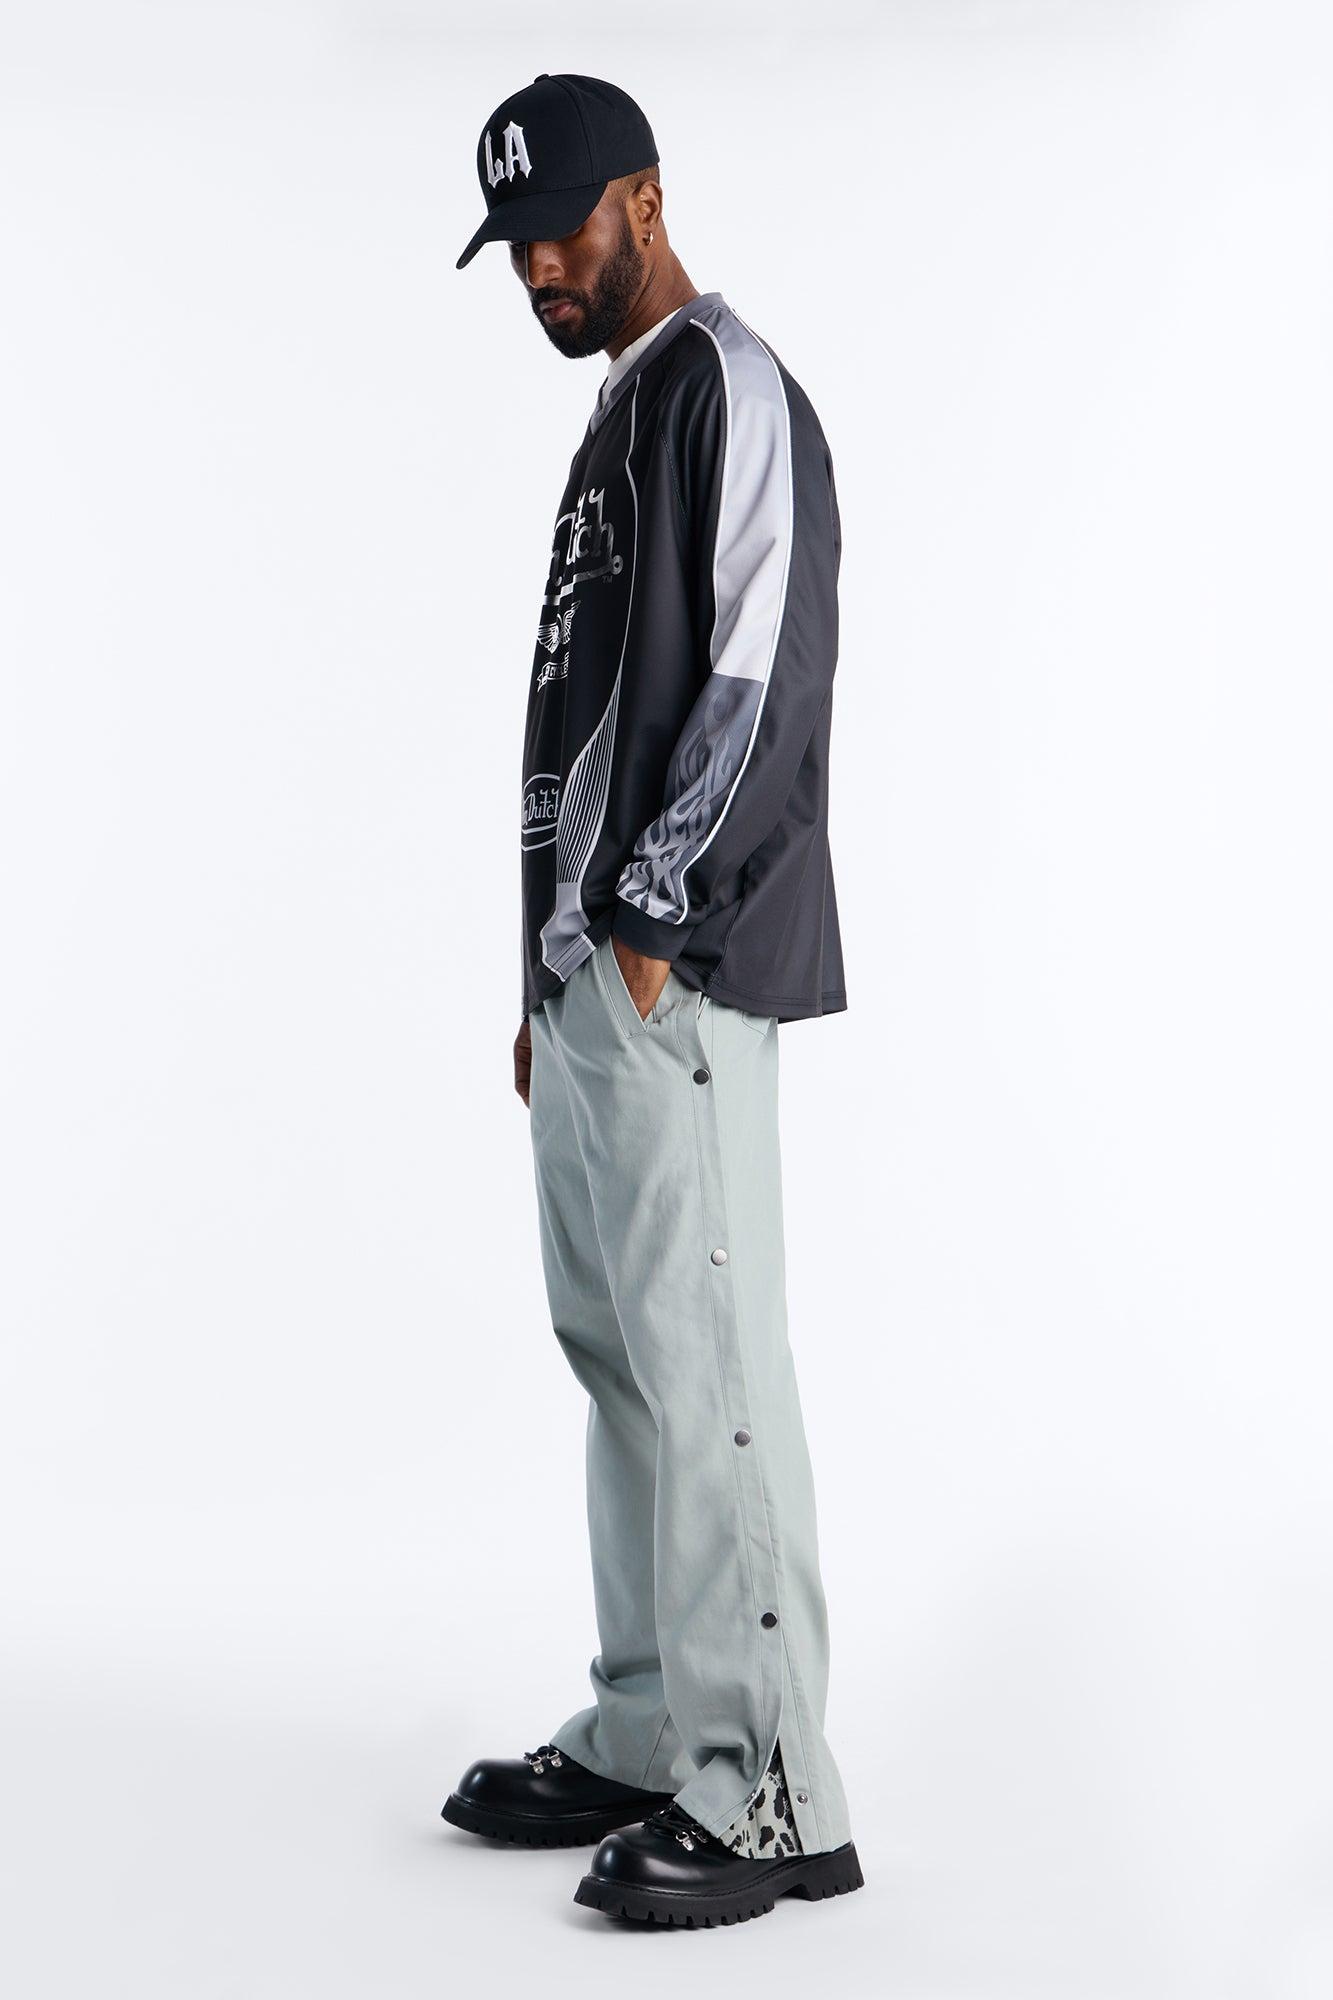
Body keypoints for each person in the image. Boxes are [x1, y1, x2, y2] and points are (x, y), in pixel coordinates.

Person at [443, 71, 862, 1929]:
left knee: (708, 1369)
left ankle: (765, 1787)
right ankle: (648, 1728)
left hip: (672, 967)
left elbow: (763, 670)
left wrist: (644, 925)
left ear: (645, 200)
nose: (540, 267)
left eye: (561, 229)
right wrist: (546, 974)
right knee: (616, 1356)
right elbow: (584, 726)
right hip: (587, 987)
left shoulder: (723, 386)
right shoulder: (618, 418)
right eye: (515, 246)